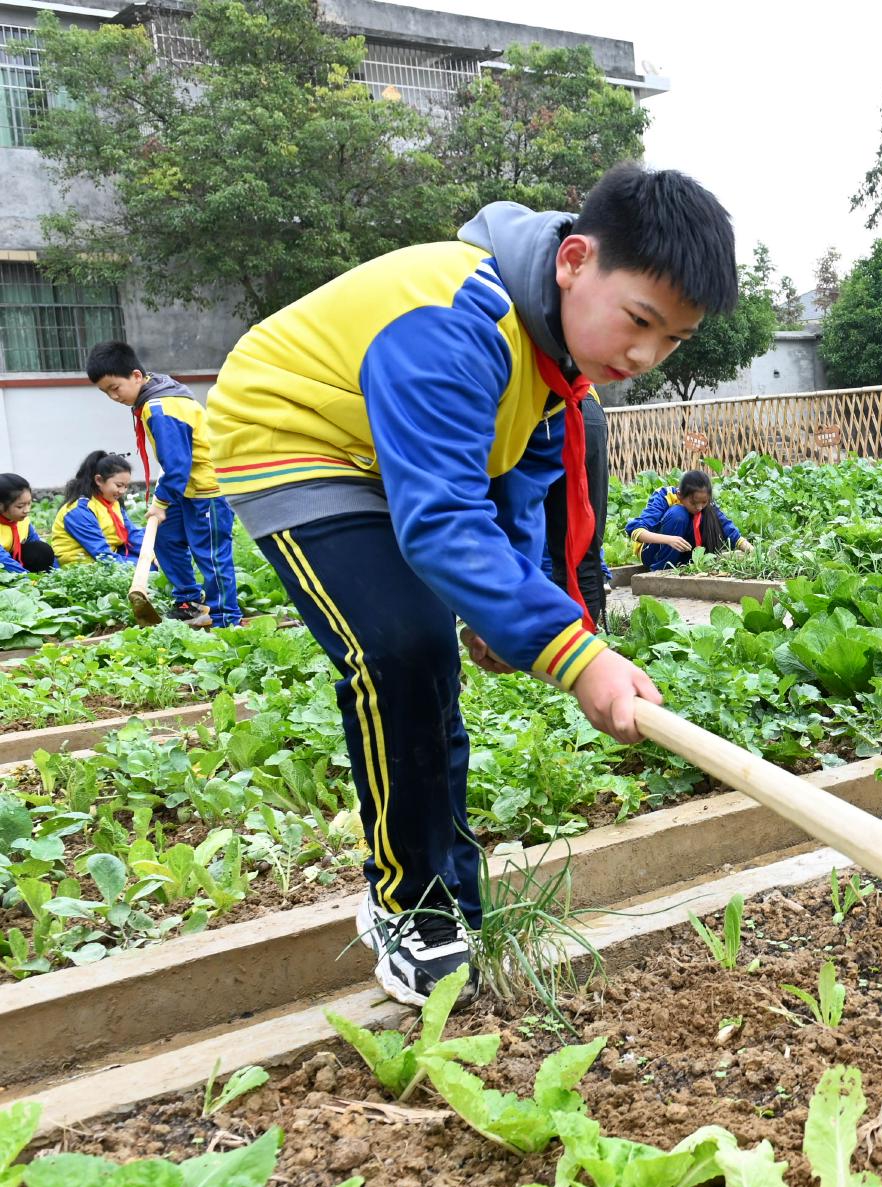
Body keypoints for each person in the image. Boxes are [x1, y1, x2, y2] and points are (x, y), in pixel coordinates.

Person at [205, 162, 739, 1008]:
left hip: (386, 455)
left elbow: (516, 483)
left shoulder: (552, 355)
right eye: (639, 320)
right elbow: (444, 521)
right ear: (573, 261)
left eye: (671, 340)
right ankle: (407, 903)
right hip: (295, 435)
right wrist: (578, 653)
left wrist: (509, 606)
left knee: (434, 659)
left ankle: (451, 895)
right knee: (401, 645)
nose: (644, 354)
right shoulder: (456, 323)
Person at [85, 340, 240, 627]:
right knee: (165, 538)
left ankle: (225, 617)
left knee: (210, 554)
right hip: (184, 488)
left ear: (135, 376)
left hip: (207, 490)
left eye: (115, 388)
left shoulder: (161, 407)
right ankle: (189, 601)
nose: (113, 397)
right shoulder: (154, 394)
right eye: (105, 392)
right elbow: (174, 464)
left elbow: (178, 464)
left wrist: (160, 502)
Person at [543, 395, 613, 620]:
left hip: (545, 410)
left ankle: (564, 641)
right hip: (586, 407)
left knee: (541, 547)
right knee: (585, 554)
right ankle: (583, 639)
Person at [624, 468, 751, 570]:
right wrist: (669, 540)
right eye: (694, 503)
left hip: (682, 553)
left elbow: (728, 528)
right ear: (680, 495)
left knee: (708, 516)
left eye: (704, 502)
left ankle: (685, 565)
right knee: (678, 514)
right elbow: (635, 530)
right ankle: (662, 570)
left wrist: (752, 551)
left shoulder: (705, 504)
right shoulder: (664, 496)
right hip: (654, 553)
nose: (699, 507)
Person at [50, 452, 143, 566]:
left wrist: (153, 555)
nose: (122, 491)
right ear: (99, 480)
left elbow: (132, 533)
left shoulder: (113, 503)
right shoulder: (79, 511)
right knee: (147, 567)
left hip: (109, 557)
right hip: (83, 566)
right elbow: (102, 554)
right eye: (119, 485)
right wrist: (144, 564)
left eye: (126, 486)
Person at [0, 475, 53, 574]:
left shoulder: (23, 521)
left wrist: (55, 573)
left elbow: (37, 545)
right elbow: (3, 560)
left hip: (9, 559)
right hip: (3, 562)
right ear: (1, 505)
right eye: (20, 506)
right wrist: (28, 580)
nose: (27, 510)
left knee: (41, 550)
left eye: (29, 504)